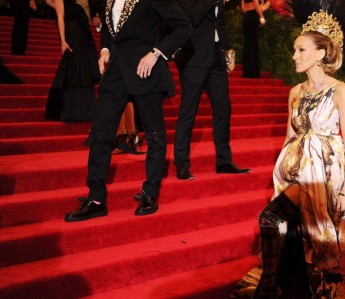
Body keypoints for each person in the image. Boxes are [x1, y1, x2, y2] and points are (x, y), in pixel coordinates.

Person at [232, 8, 345, 299]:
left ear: (321, 54)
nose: (294, 56)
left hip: (329, 172)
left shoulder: (339, 90)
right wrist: (282, 173)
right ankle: (270, 285)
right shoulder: (295, 92)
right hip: (301, 172)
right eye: (294, 50)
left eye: (301, 50)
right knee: (273, 220)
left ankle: (277, 287)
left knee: (318, 241)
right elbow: (290, 136)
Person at [63, 0, 192, 222]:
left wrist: (156, 53)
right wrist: (104, 51)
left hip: (145, 69)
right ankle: (96, 200)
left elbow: (183, 26)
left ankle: (150, 193)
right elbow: (109, 29)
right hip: (115, 72)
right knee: (101, 134)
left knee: (154, 135)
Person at [173, 0, 252, 180]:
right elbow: (191, 17)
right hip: (194, 59)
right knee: (188, 111)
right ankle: (182, 164)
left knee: (223, 108)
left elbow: (219, 24)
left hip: (216, 59)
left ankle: (224, 161)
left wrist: (227, 48)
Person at [44, 0, 100, 122]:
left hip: (81, 37)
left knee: (81, 69)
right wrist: (63, 40)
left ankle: (83, 109)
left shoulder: (75, 6)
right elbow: (60, 17)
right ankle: (69, 108)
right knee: (71, 68)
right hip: (72, 36)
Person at [242, 0, 270, 78]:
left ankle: (247, 72)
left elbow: (243, 7)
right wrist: (261, 17)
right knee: (253, 45)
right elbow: (256, 4)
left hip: (246, 16)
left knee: (247, 44)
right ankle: (253, 73)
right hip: (252, 15)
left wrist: (247, 15)